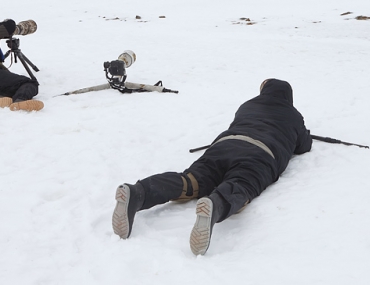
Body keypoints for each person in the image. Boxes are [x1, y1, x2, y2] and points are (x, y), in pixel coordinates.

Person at [112, 79, 312, 255]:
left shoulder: (247, 105)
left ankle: (139, 192)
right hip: (259, 154)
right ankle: (215, 205)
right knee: (241, 183)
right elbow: (303, 146)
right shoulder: (294, 115)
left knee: (190, 181)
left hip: (224, 146)